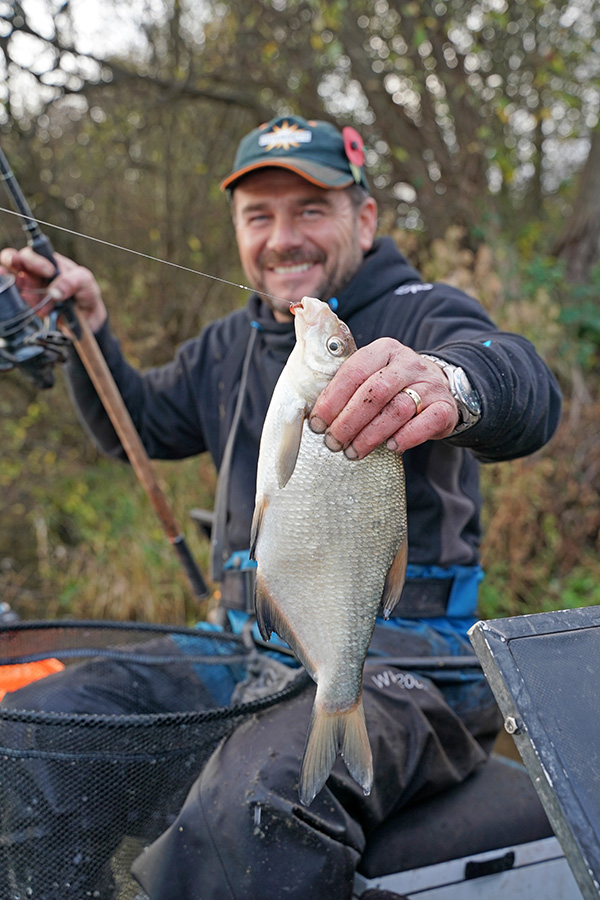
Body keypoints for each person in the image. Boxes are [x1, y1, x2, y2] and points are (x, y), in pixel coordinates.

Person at [0, 114, 562, 900]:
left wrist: (453, 383)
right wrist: (90, 331)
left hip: (402, 661)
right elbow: (144, 423)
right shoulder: (227, 343)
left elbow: (529, 389)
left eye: (310, 210)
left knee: (262, 798)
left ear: (364, 218)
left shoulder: (424, 310)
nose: (282, 238)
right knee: (31, 731)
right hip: (236, 646)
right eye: (258, 216)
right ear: (236, 229)